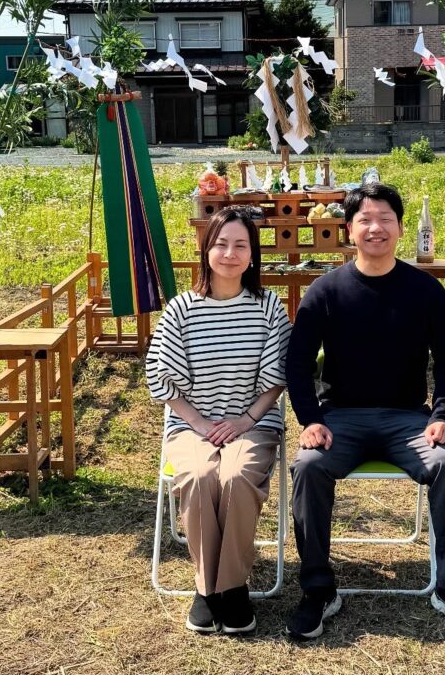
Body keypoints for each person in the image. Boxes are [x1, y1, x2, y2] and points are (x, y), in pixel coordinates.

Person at [285, 182, 445, 639]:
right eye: (365, 220)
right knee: (308, 466)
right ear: (348, 230)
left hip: (408, 420)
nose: (375, 228)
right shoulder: (325, 291)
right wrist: (311, 420)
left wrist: (443, 415)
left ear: (399, 228)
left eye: (385, 220)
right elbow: (296, 363)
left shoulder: (425, 290)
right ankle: (318, 589)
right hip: (341, 418)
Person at [146, 206, 289, 636]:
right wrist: (198, 422)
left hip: (254, 422)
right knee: (198, 474)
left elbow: (278, 376)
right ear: (206, 249)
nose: (230, 253)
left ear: (252, 255)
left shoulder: (268, 307)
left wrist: (246, 419)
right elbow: (159, 374)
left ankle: (223, 587)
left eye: (240, 245)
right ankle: (216, 589)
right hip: (192, 423)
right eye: (221, 243)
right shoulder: (181, 309)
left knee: (237, 474)